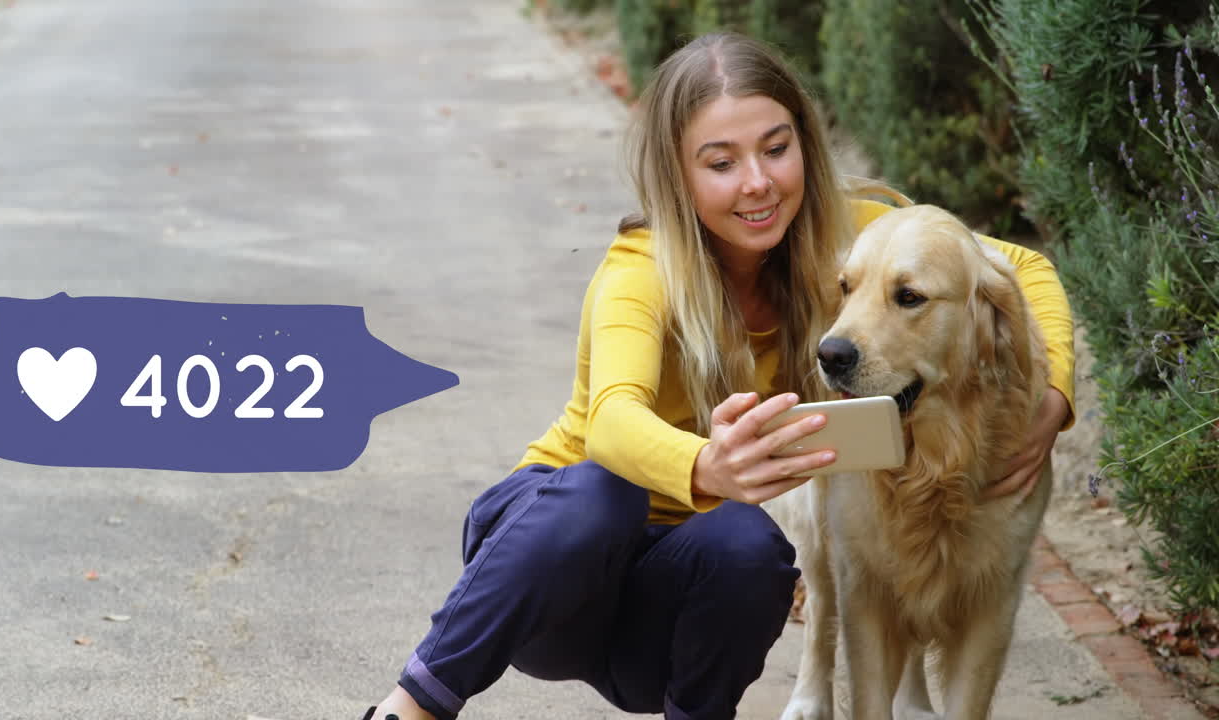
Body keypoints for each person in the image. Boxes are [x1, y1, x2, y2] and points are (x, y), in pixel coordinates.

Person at [361, 30, 1075, 720]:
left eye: (776, 148)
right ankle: (411, 707)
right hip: (546, 580)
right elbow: (611, 422)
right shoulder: (642, 268)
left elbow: (1025, 269)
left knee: (749, 546)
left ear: (805, 143)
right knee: (602, 495)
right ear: (679, 174)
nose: (758, 183)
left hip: (664, 613)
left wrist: (1052, 401)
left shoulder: (848, 237)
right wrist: (707, 465)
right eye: (721, 162)